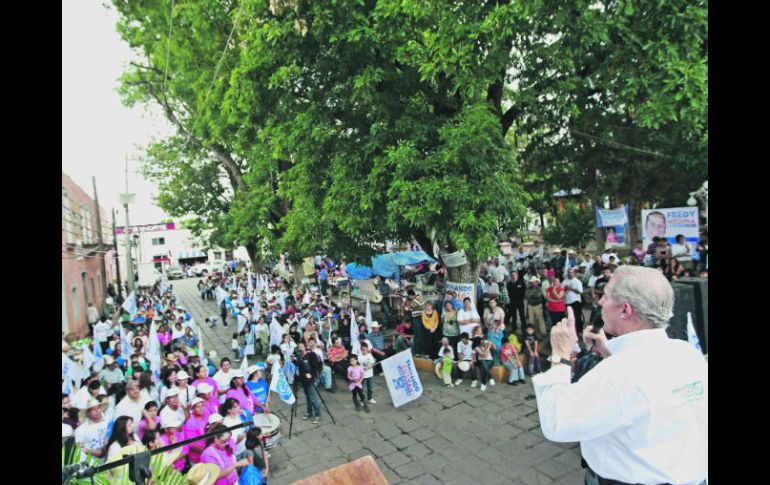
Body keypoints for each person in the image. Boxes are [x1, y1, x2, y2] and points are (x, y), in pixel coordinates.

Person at [534, 266, 708, 485]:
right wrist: (609, 352)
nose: (599, 303)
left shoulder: (616, 373)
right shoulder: (688, 354)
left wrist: (560, 354)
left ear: (625, 310)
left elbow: (556, 422)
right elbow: (645, 388)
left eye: (605, 297)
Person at [74, 398, 110, 463]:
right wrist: (91, 451)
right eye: (93, 409)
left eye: (98, 408)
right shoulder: (81, 429)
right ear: (87, 413)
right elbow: (77, 449)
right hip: (91, 463)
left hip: (110, 460)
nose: (96, 411)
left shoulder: (109, 423)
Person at [297, 342, 323, 424]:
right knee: (308, 397)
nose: (300, 348)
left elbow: (316, 367)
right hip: (303, 380)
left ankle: (318, 414)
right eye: (299, 347)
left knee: (313, 398)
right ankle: (309, 412)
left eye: (302, 346)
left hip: (311, 380)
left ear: (305, 347)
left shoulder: (311, 354)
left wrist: (311, 375)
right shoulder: (299, 356)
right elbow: (299, 367)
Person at [563, 268, 585, 335]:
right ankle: (571, 331)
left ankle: (580, 331)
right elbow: (561, 290)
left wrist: (571, 289)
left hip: (576, 301)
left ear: (574, 273)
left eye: (571, 272)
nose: (570, 273)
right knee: (570, 317)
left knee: (577, 317)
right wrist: (565, 289)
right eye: (569, 272)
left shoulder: (577, 281)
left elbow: (581, 292)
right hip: (567, 302)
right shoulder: (564, 281)